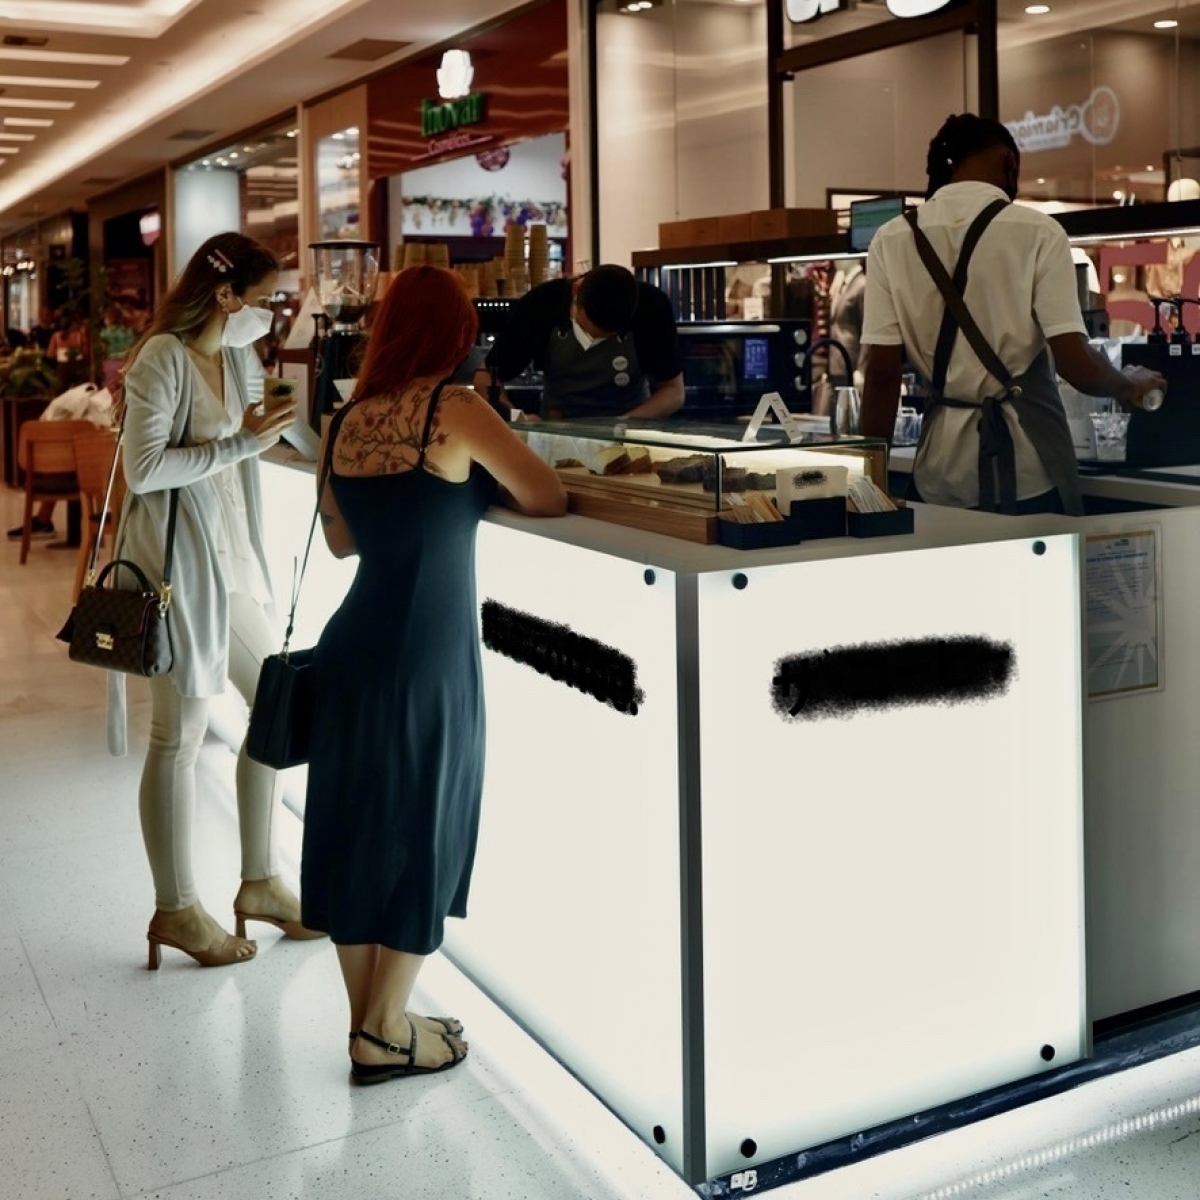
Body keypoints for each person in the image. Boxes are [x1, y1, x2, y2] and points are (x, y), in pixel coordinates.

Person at [301, 265, 566, 1083]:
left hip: (350, 646)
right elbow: (547, 495)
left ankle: (372, 1024)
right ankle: (384, 1028)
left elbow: (342, 541)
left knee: (350, 829)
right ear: (456, 335)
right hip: (430, 656)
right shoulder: (454, 411)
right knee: (426, 825)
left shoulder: (344, 420)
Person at [115, 231, 321, 969]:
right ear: (227, 294)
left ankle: (260, 881)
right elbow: (142, 471)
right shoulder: (163, 358)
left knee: (275, 708)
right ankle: (176, 910)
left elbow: (277, 427)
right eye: (263, 300)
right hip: (178, 571)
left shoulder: (237, 356)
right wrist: (240, 444)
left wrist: (342, 450)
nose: (270, 314)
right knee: (179, 736)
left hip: (230, 565)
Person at [861, 113, 1166, 515]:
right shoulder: (1038, 232)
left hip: (936, 473)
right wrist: (1127, 386)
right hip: (1027, 470)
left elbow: (881, 375)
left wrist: (870, 485)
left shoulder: (890, 239)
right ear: (1009, 162)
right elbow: (1076, 364)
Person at [474, 263, 684, 421]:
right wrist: (516, 418)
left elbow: (673, 391)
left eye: (607, 337)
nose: (592, 341)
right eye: (586, 329)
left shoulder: (652, 307)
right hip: (557, 433)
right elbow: (486, 377)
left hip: (630, 435)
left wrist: (623, 424)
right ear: (576, 291)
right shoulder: (542, 304)